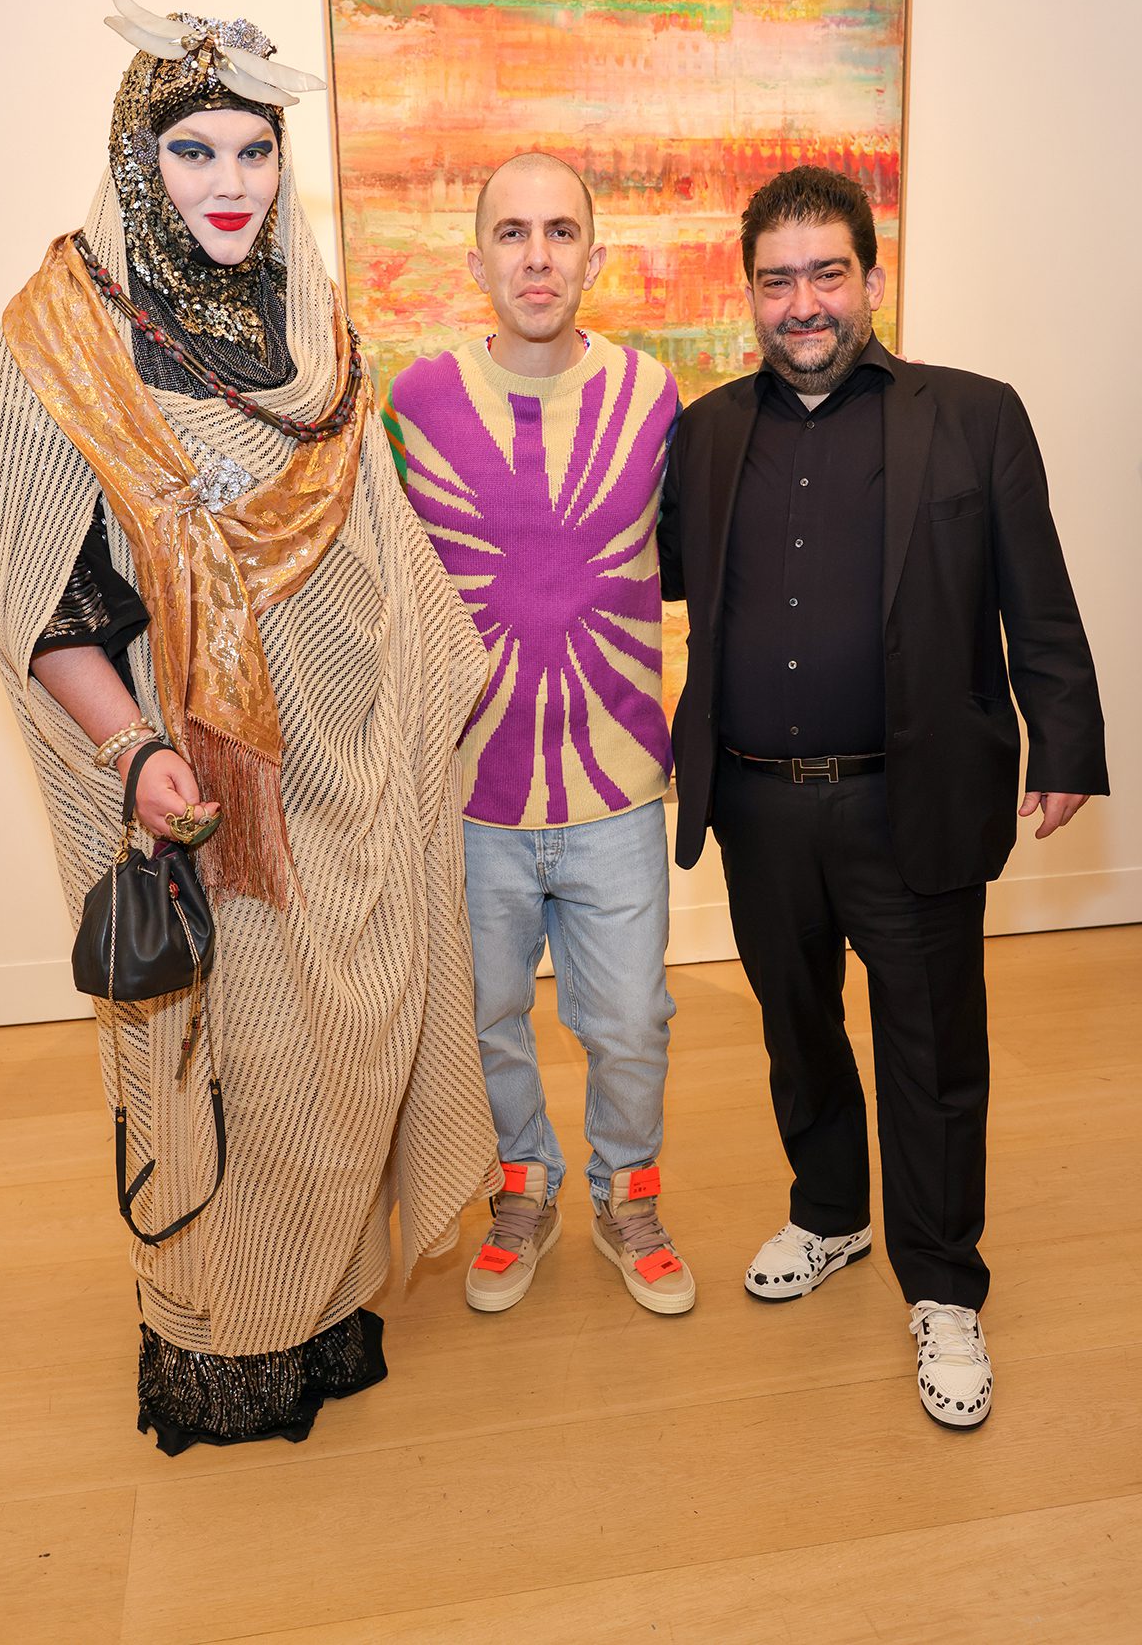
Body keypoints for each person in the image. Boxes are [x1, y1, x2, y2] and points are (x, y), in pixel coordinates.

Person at [0, 0, 498, 1453]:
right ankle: (225, 1330)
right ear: (138, 158)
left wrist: (408, 693)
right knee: (231, 1059)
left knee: (342, 1044)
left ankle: (320, 1300)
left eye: (254, 150)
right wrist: (134, 752)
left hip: (344, 767)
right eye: (193, 150)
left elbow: (373, 536)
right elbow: (36, 587)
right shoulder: (63, 336)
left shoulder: (307, 315)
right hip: (199, 784)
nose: (230, 182)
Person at [658, 165, 1107, 1426]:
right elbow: (661, 581)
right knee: (795, 1026)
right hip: (756, 804)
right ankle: (829, 1211)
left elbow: (1038, 593)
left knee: (932, 1046)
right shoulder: (706, 432)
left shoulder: (973, 416)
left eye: (826, 272)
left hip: (912, 797)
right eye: (777, 279)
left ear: (870, 274)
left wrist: (1066, 739)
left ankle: (945, 1283)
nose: (802, 302)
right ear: (749, 292)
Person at [383, 153, 696, 1316]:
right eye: (511, 233)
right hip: (469, 793)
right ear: (477, 260)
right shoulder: (415, 403)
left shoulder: (654, 397)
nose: (536, 256)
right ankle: (524, 1187)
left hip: (618, 785)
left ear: (593, 256)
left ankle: (628, 1193)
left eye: (560, 231)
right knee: (485, 1022)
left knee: (631, 1022)